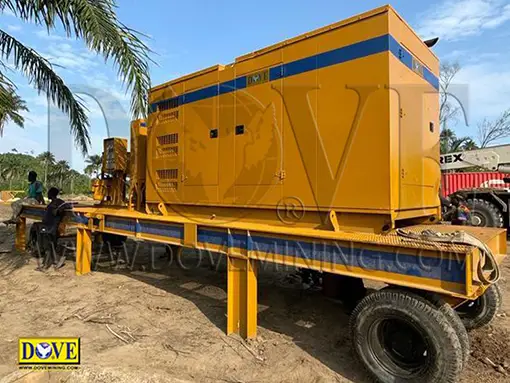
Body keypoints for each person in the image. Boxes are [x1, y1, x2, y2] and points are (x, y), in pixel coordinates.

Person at [29, 187, 68, 269]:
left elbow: (66, 205)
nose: (47, 194)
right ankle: (57, 259)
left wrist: (58, 210)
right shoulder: (53, 203)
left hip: (52, 227)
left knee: (48, 246)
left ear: (51, 194)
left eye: (49, 193)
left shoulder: (59, 202)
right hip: (47, 226)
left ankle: (45, 265)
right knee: (47, 243)